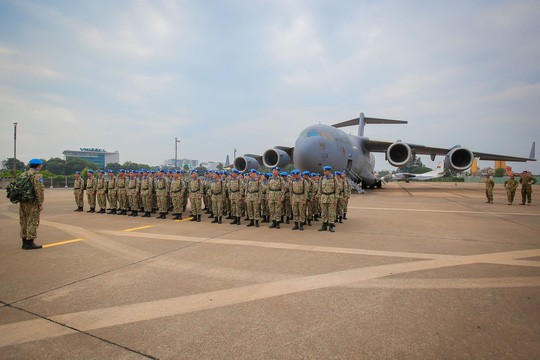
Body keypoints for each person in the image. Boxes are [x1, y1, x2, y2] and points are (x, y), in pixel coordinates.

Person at [19, 158, 45, 250]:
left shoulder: (23, 174)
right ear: (39, 165)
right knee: (33, 221)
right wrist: (40, 203)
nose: (41, 166)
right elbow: (38, 190)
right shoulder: (37, 175)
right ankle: (30, 242)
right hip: (32, 202)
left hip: (23, 201)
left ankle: (24, 242)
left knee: (24, 220)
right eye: (41, 164)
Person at [319, 166, 337, 232]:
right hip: (323, 197)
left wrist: (336, 199)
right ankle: (324, 226)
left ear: (329, 171)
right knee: (324, 212)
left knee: (331, 212)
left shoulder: (334, 179)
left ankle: (331, 226)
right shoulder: (321, 179)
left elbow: (337, 189)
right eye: (324, 171)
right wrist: (319, 197)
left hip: (331, 197)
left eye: (326, 171)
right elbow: (319, 189)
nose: (325, 172)